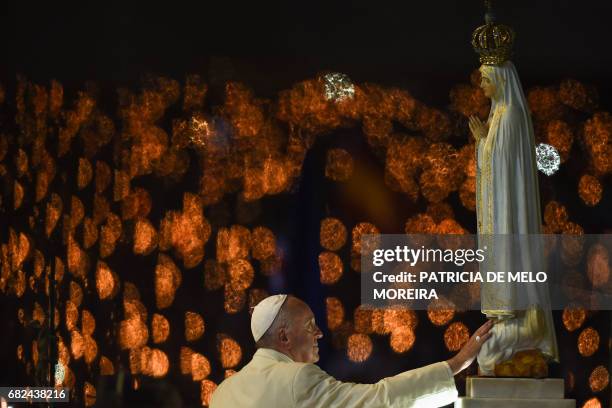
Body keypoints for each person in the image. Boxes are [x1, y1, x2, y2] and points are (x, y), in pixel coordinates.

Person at [210, 294, 493, 407]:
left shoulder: (222, 392)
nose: (319, 333)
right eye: (310, 326)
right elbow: (379, 400)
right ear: (284, 336)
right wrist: (455, 364)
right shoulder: (297, 378)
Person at [469, 60, 559, 375]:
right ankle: (511, 326)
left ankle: (518, 324)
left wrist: (483, 142)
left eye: (485, 80)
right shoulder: (499, 115)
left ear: (500, 81)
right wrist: (483, 142)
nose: (481, 87)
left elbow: (503, 165)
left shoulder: (509, 116)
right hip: (502, 211)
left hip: (509, 212)